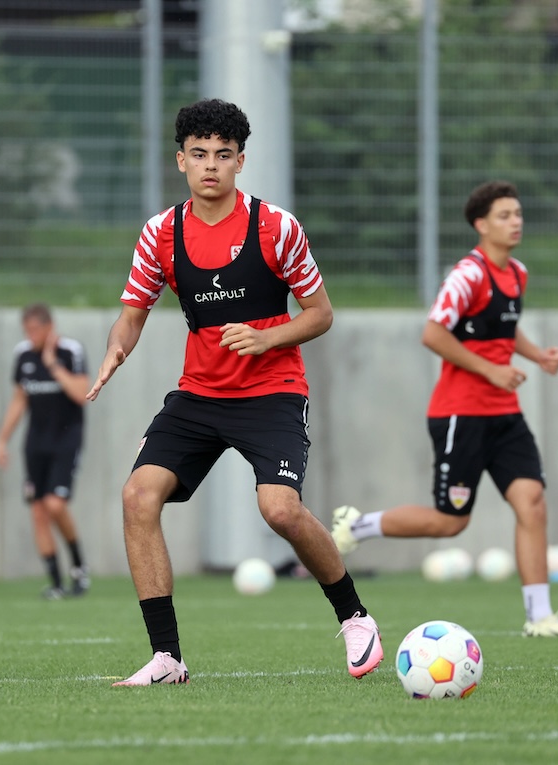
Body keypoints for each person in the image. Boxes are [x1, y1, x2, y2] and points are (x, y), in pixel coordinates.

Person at [87, 98, 383, 686]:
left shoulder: (276, 228)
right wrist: (117, 347)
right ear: (181, 161)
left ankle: (354, 617)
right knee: (136, 498)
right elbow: (133, 313)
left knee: (279, 509)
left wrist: (266, 336)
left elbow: (320, 315)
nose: (211, 166)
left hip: (272, 391)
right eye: (199, 155)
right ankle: (167, 658)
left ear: (240, 161)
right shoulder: (160, 234)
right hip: (198, 395)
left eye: (223, 155)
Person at [330, 180, 558, 638]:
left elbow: (505, 330)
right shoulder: (467, 275)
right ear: (480, 224)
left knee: (531, 502)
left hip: (505, 415)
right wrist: (490, 371)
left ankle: (540, 616)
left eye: (518, 214)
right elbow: (433, 334)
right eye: (505, 215)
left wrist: (538, 357)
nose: (516, 222)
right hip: (460, 415)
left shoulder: (517, 273)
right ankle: (359, 525)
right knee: (451, 522)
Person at [0, 303, 91, 599]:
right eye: (27, 330)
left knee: (55, 505)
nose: (30, 335)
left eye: (35, 329)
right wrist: (2, 440)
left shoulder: (70, 351)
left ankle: (78, 567)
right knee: (38, 511)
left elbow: (81, 393)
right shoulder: (22, 354)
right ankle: (57, 584)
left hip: (66, 441)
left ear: (49, 327)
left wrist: (52, 364)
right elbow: (19, 400)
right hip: (35, 443)